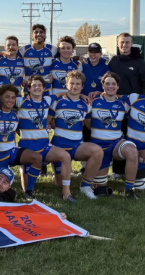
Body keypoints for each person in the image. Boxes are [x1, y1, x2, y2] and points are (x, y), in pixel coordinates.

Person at [15, 75, 74, 202]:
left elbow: (59, 94)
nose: (37, 87)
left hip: (44, 144)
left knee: (65, 156)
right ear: (29, 88)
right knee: (26, 189)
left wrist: (80, 95)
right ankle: (29, 191)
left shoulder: (47, 100)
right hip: (27, 145)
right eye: (34, 85)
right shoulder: (21, 101)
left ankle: (66, 191)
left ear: (44, 88)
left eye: (39, 86)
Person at [47, 71, 103, 199]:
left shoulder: (86, 104)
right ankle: (57, 176)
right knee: (59, 184)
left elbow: (89, 125)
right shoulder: (57, 101)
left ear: (82, 87)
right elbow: (47, 122)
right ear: (66, 84)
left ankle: (85, 186)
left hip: (77, 145)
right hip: (59, 146)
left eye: (78, 84)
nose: (74, 86)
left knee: (97, 152)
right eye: (71, 83)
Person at [107, 32, 145, 178]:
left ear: (131, 44)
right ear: (117, 44)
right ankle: (118, 171)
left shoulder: (139, 62)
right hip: (116, 107)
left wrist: (144, 104)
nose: (124, 45)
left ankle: (136, 170)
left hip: (134, 108)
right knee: (117, 137)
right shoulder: (113, 61)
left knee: (132, 138)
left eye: (127, 42)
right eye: (122, 42)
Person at [87, 72, 138, 199]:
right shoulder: (93, 101)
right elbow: (87, 123)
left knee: (132, 150)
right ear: (102, 85)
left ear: (118, 86)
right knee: (100, 187)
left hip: (116, 143)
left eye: (113, 84)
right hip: (98, 147)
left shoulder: (123, 104)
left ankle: (129, 189)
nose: (110, 86)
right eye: (107, 83)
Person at [19, 24, 57, 96]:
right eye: (36, 32)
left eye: (41, 32)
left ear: (45, 35)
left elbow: (65, 56)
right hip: (29, 88)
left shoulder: (52, 49)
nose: (39, 34)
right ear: (32, 35)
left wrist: (77, 58)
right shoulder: (23, 50)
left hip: (46, 89)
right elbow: (10, 56)